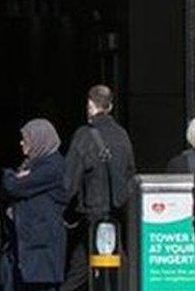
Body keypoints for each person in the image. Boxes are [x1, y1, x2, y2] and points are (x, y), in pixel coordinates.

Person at [62, 85, 136, 291]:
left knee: (86, 265)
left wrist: (63, 210)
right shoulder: (122, 135)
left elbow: (70, 181)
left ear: (90, 105)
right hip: (116, 211)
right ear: (110, 106)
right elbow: (131, 172)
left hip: (92, 212)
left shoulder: (83, 135)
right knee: (106, 263)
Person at [0, 119, 67, 291]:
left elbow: (14, 186)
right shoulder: (33, 164)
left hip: (41, 251)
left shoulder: (53, 167)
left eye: (26, 139)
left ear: (38, 139)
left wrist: (9, 175)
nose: (21, 143)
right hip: (26, 248)